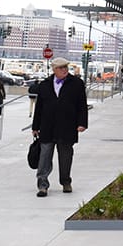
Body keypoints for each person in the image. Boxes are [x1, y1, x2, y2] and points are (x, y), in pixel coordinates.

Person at [30, 57, 88, 197]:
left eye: (66, 67)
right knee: (44, 156)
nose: (64, 70)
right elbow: (39, 107)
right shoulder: (45, 84)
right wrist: (35, 126)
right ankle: (42, 185)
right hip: (47, 126)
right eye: (61, 68)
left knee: (66, 156)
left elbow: (82, 105)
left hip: (67, 126)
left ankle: (65, 182)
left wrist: (82, 123)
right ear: (54, 69)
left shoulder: (77, 84)